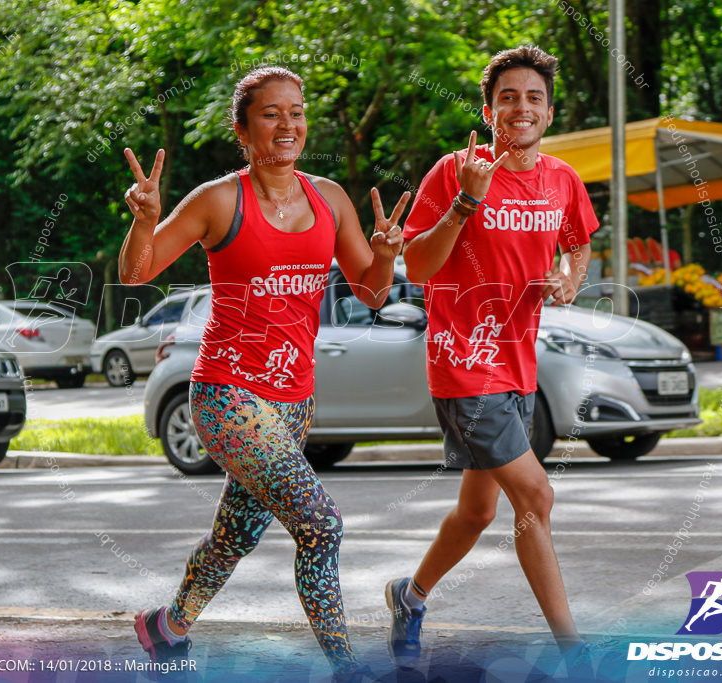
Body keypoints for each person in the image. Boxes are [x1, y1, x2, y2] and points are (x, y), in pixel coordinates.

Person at [118, 66, 409, 682]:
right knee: (321, 524)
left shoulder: (328, 198)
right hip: (227, 394)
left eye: (297, 111)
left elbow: (371, 292)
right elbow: (137, 272)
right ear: (242, 130)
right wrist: (145, 219)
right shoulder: (220, 200)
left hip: (295, 402)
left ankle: (166, 629)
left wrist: (383, 257)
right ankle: (348, 668)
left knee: (234, 537)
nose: (288, 124)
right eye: (272, 113)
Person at [384, 44, 598, 668]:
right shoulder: (457, 170)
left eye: (534, 97)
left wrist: (569, 278)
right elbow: (418, 265)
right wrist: (464, 203)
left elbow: (578, 242)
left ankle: (410, 594)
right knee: (536, 498)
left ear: (549, 113)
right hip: (463, 361)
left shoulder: (562, 179)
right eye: (509, 97)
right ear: (489, 108)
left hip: (518, 364)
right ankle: (574, 653)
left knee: (476, 512)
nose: (521, 107)